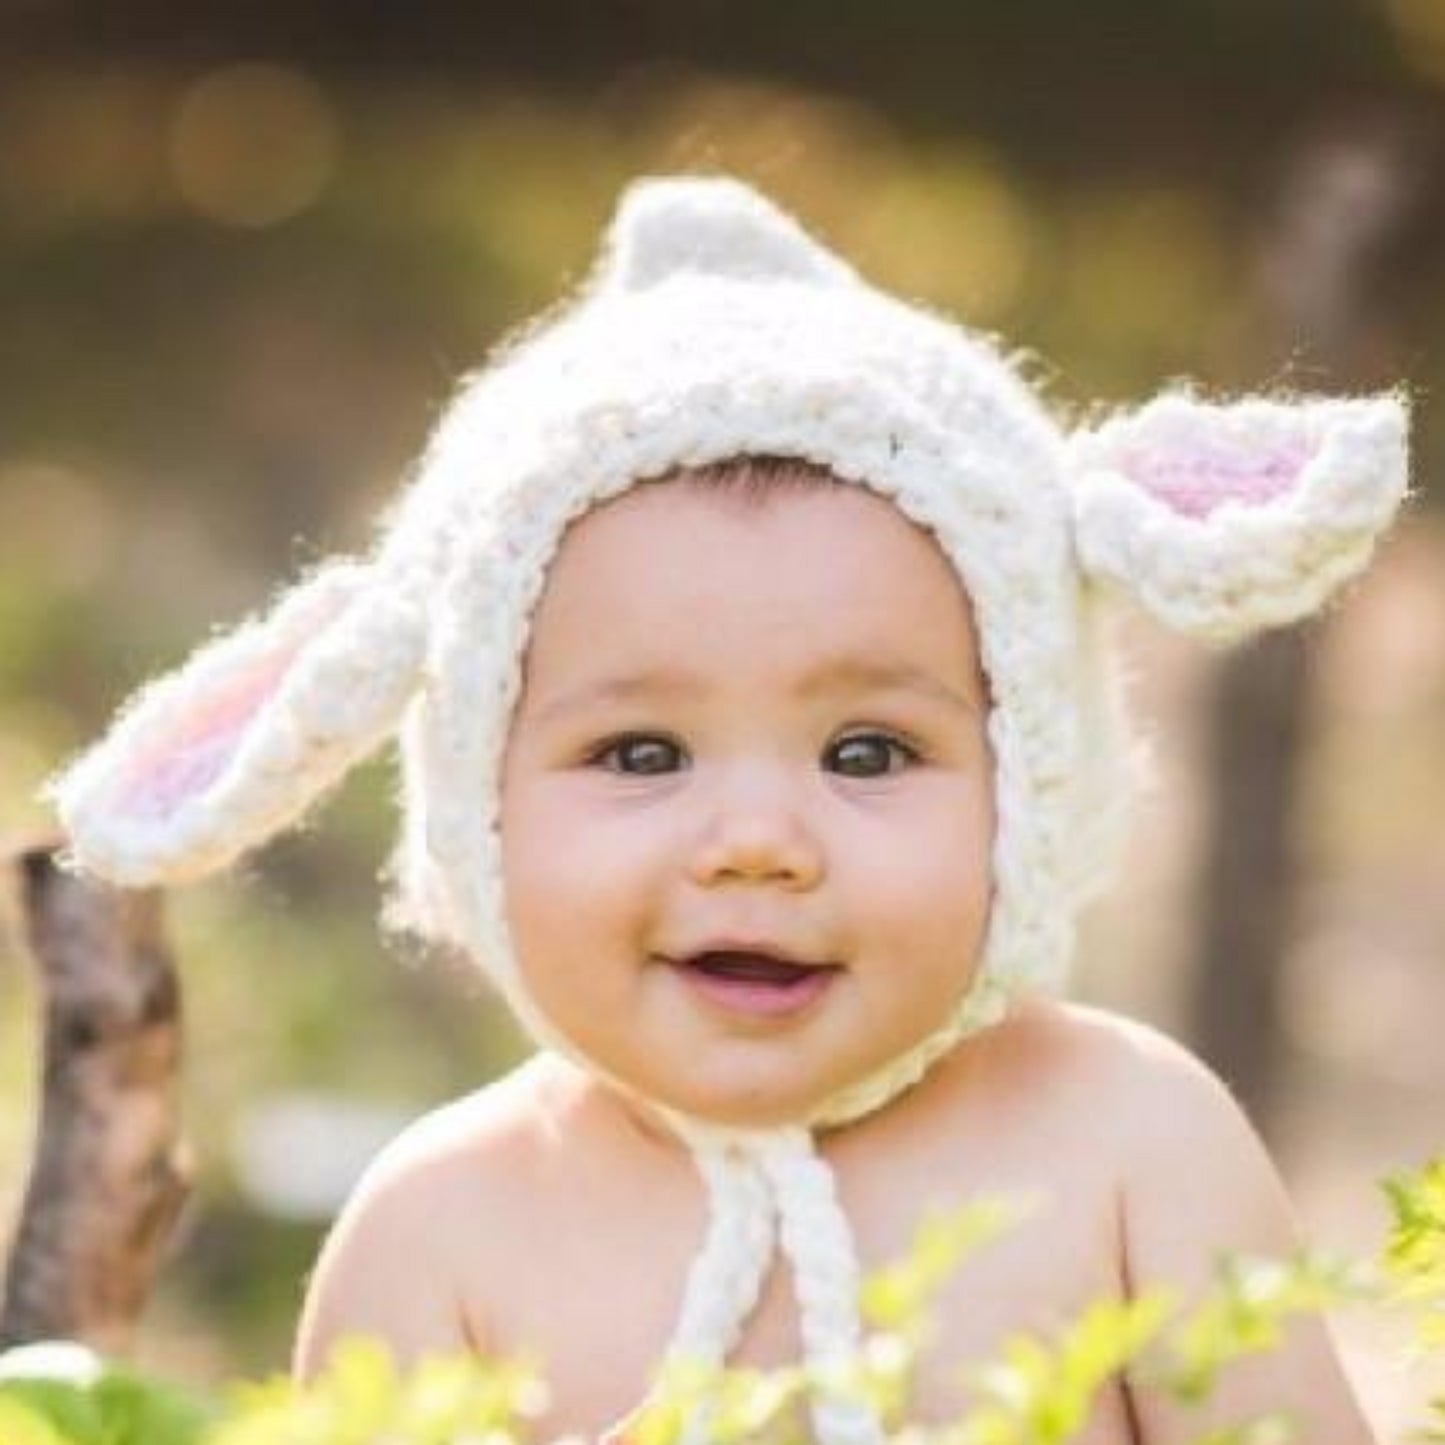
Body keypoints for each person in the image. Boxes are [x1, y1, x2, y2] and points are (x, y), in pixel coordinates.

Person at [46, 175, 1407, 1444]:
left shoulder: (1127, 1140)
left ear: (1028, 783)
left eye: (867, 752)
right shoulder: (439, 1234)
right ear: (478, 801)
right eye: (641, 754)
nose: (756, 842)